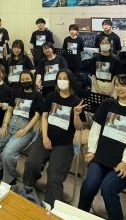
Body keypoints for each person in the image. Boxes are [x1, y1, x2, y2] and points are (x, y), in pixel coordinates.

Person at [78, 73, 126, 220]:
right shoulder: (107, 104)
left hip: (124, 164)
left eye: (123, 85)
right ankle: (79, 218)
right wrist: (92, 150)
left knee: (108, 189)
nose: (119, 88)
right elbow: (95, 130)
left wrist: (125, 162)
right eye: (116, 84)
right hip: (101, 157)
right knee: (89, 185)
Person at [22, 69, 86, 208]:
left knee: (54, 175)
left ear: (70, 81)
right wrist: (45, 137)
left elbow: (79, 127)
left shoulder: (76, 101)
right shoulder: (51, 96)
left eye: (65, 78)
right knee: (31, 164)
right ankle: (27, 191)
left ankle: (51, 208)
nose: (62, 81)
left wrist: (76, 114)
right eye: (59, 78)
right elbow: (44, 117)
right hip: (46, 137)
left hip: (63, 144)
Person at [0, 70, 43, 184]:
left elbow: (37, 116)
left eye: (27, 79)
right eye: (22, 79)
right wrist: (4, 125)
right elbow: (10, 110)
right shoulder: (15, 92)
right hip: (10, 123)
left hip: (26, 127)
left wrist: (25, 130)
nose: (25, 81)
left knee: (8, 154)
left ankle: (9, 179)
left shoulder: (37, 96)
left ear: (32, 79)